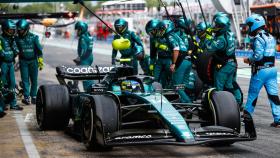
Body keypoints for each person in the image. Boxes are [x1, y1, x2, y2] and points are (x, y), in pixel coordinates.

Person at [243, 14, 280, 127]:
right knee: (273, 96)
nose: (248, 28)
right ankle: (278, 119)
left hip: (260, 71)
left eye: (249, 25)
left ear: (254, 25)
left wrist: (249, 60)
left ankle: (246, 118)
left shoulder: (258, 39)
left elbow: (258, 56)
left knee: (252, 95)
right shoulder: (271, 37)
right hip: (272, 70)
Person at [204, 15, 241, 106]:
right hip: (232, 64)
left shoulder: (221, 39)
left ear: (222, 27)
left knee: (219, 87)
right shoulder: (230, 34)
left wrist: (208, 36)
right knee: (229, 85)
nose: (215, 27)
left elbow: (209, 47)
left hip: (224, 65)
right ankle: (237, 103)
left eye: (217, 26)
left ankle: (221, 106)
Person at [155, 20, 192, 103]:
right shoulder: (175, 35)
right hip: (188, 60)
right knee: (183, 86)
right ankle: (185, 102)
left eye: (161, 29)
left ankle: (188, 104)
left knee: (176, 86)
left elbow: (176, 49)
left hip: (181, 60)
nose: (160, 31)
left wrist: (174, 64)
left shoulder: (169, 36)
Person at [16, 19, 43, 105]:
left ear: (27, 29)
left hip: (33, 61)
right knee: (25, 80)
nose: (20, 32)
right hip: (23, 61)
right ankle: (26, 97)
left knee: (34, 80)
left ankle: (34, 96)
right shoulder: (17, 39)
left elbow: (39, 51)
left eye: (22, 30)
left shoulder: (34, 38)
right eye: (19, 30)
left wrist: (40, 61)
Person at [0, 19, 23, 110]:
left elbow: (16, 49)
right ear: (5, 29)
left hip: (10, 64)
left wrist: (16, 50)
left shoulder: (12, 39)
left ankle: (13, 104)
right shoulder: (1, 39)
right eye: (10, 30)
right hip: (3, 64)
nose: (12, 32)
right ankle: (2, 103)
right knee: (2, 84)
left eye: (13, 30)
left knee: (12, 84)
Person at [145, 19, 171, 88]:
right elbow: (152, 53)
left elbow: (175, 49)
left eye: (152, 31)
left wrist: (163, 47)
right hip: (159, 59)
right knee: (154, 78)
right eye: (149, 32)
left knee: (169, 78)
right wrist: (151, 64)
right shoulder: (153, 38)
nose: (151, 34)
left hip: (169, 59)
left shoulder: (167, 34)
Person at [74, 21, 94, 92]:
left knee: (83, 75)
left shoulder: (82, 37)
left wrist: (79, 58)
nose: (77, 32)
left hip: (85, 58)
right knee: (87, 73)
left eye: (78, 30)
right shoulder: (89, 35)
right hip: (90, 57)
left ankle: (88, 90)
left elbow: (83, 49)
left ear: (81, 29)